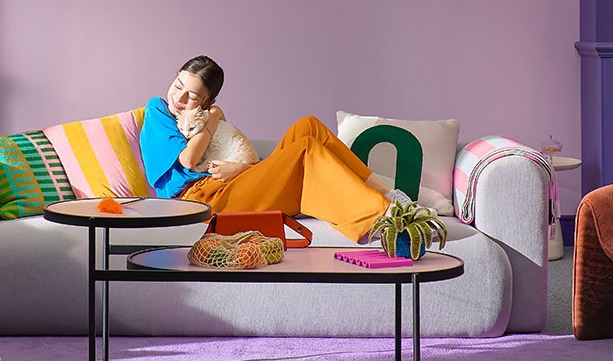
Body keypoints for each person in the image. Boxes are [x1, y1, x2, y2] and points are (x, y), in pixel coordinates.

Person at [139, 55, 411, 242]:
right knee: (305, 148)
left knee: (308, 126)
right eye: (178, 86)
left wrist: (242, 169)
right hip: (201, 202)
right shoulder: (158, 109)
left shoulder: (204, 114)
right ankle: (385, 216)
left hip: (228, 185)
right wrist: (212, 118)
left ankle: (390, 194)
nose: (179, 98)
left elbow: (222, 160)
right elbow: (188, 160)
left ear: (208, 100)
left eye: (193, 97)